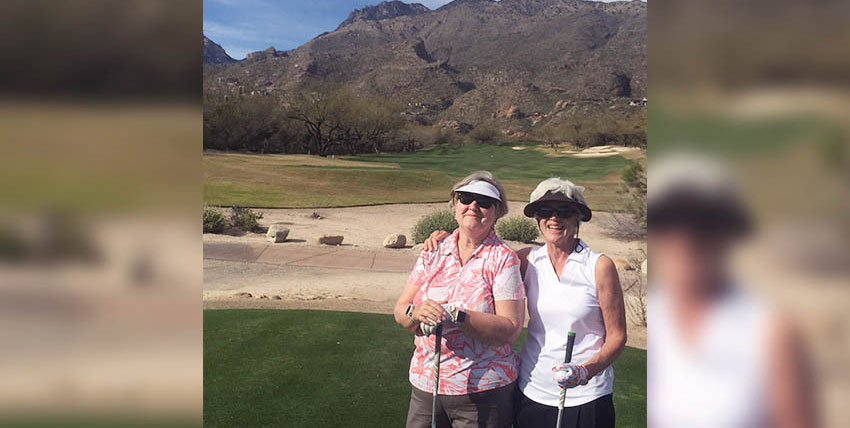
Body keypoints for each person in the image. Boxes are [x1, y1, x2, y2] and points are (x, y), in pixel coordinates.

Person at [425, 177, 627, 428]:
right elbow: (485, 253)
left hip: (587, 395)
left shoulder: (598, 266)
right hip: (533, 389)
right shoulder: (526, 260)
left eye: (564, 211)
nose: (554, 218)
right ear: (537, 218)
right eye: (545, 211)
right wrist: (451, 237)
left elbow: (617, 337)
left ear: (577, 218)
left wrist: (585, 372)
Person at [647, 154, 817, 428]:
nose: (685, 238)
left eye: (704, 224)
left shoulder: (771, 329)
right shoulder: (655, 314)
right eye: (669, 221)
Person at [393, 171, 526, 428]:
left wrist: (456, 314)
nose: (473, 206)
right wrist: (415, 312)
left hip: (483, 391)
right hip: (426, 386)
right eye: (466, 198)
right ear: (455, 204)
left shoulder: (504, 258)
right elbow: (400, 311)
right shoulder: (433, 250)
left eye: (484, 202)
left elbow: (510, 329)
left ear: (497, 212)